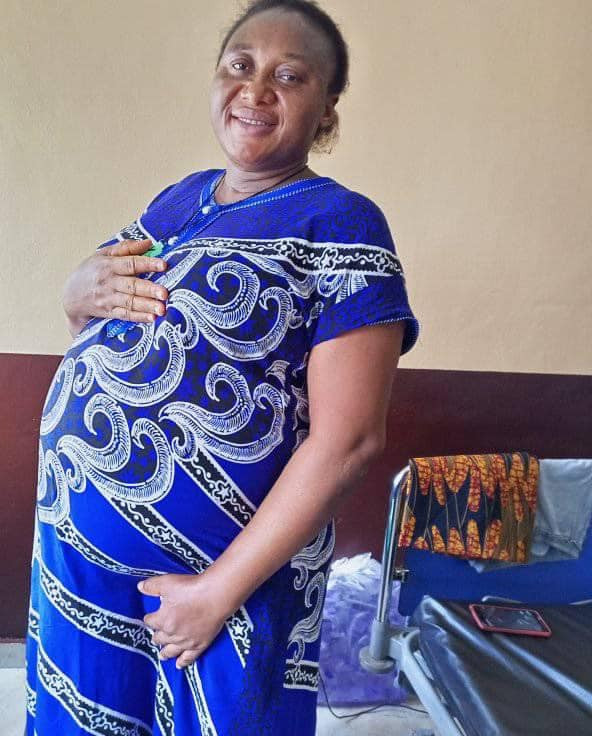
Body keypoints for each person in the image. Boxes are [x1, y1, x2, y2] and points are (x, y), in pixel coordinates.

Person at [26, 1, 419, 734]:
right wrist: (72, 294)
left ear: (327, 110)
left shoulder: (343, 222)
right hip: (79, 557)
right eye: (240, 65)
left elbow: (350, 441)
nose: (255, 88)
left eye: (289, 76)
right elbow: (96, 313)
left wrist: (216, 592)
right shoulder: (178, 200)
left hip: (225, 583)